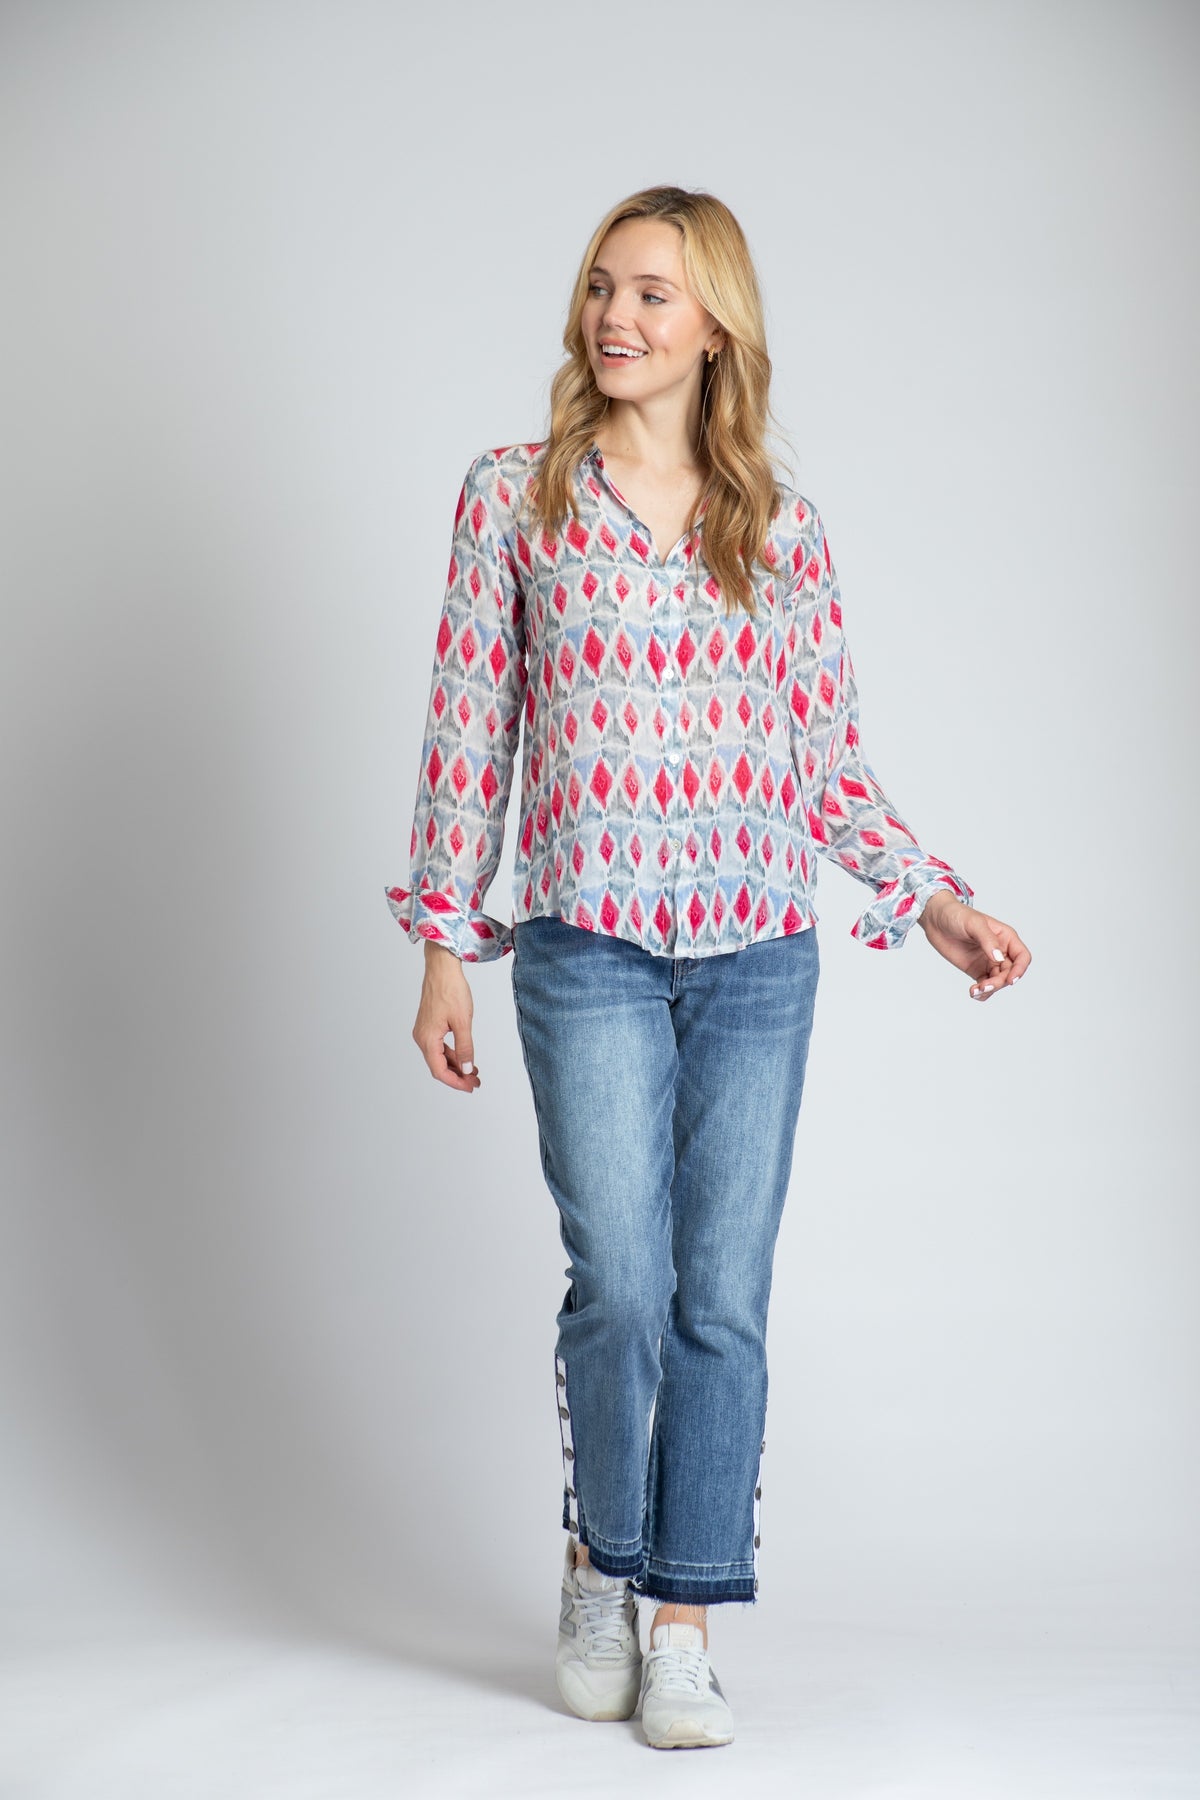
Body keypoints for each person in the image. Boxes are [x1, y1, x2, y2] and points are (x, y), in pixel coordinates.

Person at [385, 185, 1030, 1750]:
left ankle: (681, 1620)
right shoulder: (514, 497)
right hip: (586, 944)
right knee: (621, 1282)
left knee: (722, 1299)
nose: (617, 316)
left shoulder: (778, 531)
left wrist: (930, 899)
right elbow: (470, 729)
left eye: (653, 293)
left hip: (757, 953)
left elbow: (828, 761)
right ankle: (599, 1566)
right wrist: (444, 949)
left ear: (717, 326)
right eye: (603, 286)